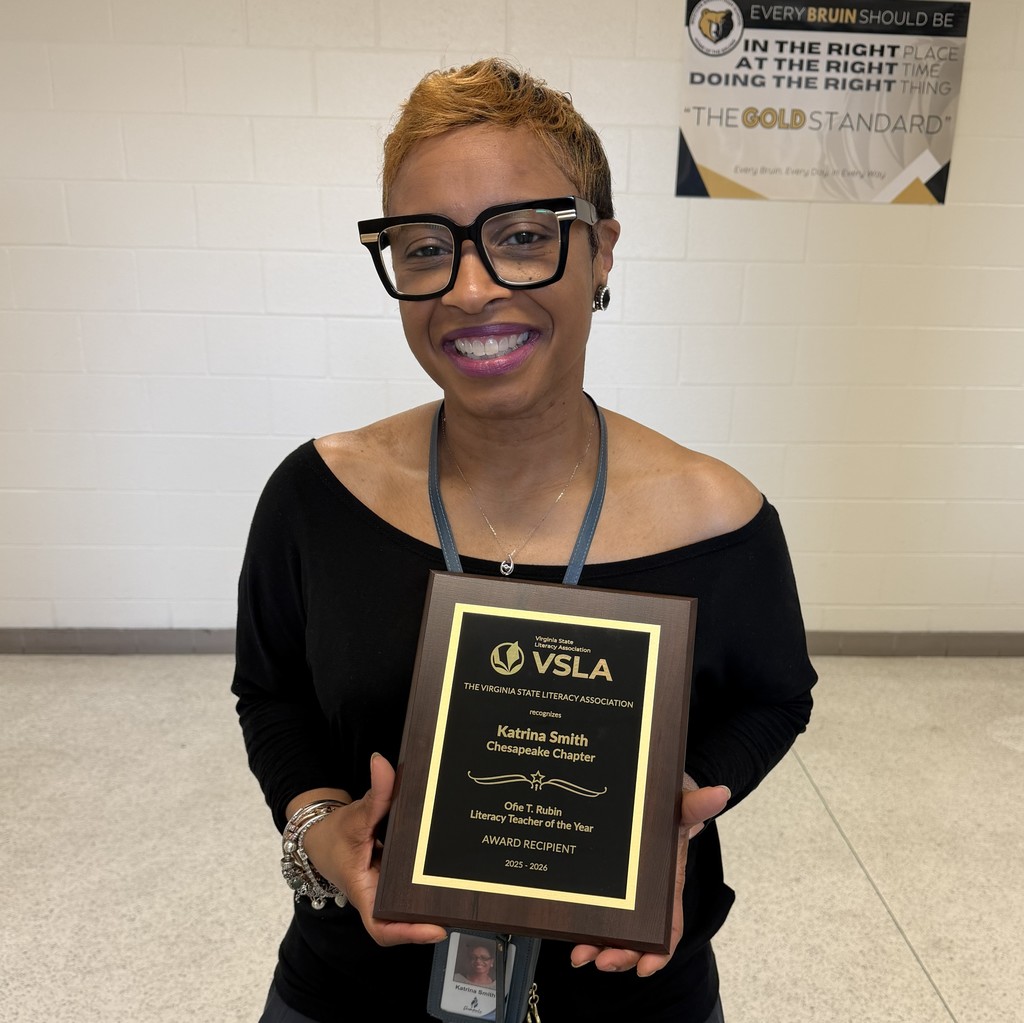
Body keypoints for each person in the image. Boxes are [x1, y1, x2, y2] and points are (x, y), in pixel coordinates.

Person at [233, 58, 816, 1023]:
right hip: (353, 987)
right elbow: (273, 690)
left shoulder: (718, 516)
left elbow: (776, 694)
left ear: (602, 251)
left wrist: (681, 799)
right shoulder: (318, 495)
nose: (469, 288)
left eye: (521, 237)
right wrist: (314, 825)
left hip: (632, 995)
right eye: (424, 246)